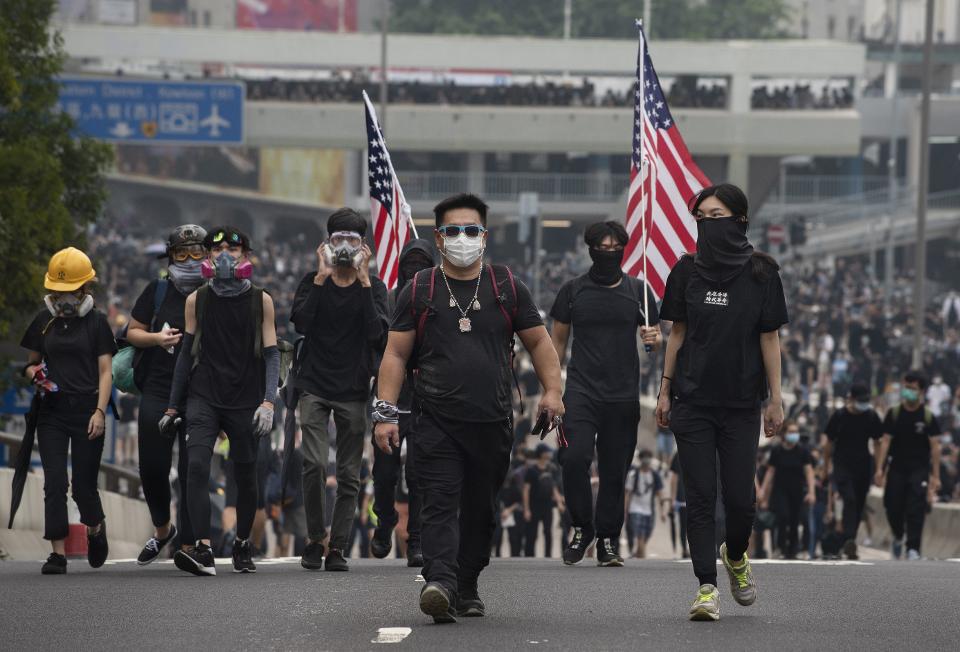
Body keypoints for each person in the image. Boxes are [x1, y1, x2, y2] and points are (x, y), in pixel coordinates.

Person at [373, 193, 564, 623]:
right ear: (439, 239)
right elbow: (396, 355)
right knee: (439, 500)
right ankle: (439, 581)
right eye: (454, 231)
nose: (464, 238)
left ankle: (467, 584)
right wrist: (385, 412)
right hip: (434, 419)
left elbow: (539, 342)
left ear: (484, 236)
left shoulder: (506, 286)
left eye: (472, 230)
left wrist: (553, 392)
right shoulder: (419, 289)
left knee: (480, 508)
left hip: (493, 421)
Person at [656, 183, 788, 621]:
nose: (708, 225)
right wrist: (664, 389)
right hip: (692, 401)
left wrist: (776, 399)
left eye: (717, 216)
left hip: (741, 404)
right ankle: (706, 587)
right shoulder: (685, 271)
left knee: (739, 500)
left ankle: (736, 556)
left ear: (740, 219)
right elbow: (677, 333)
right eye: (702, 218)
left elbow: (769, 338)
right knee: (699, 497)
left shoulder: (763, 273)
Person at [160, 225, 280, 576]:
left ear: (246, 256)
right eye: (217, 250)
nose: (225, 255)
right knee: (195, 467)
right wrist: (171, 406)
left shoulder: (262, 301)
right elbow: (185, 356)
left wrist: (268, 403)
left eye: (233, 249)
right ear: (208, 257)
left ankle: (242, 543)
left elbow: (272, 355)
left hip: (246, 400)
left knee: (246, 473)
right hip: (204, 396)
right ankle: (203, 548)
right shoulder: (197, 299)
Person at [549, 220, 660, 567]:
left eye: (616, 248)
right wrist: (552, 390)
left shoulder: (639, 292)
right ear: (591, 249)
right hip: (580, 390)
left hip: (623, 394)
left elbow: (656, 339)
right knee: (574, 458)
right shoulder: (572, 291)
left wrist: (654, 341)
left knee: (615, 471)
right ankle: (582, 528)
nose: (609, 253)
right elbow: (556, 344)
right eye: (603, 247)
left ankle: (609, 540)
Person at [290, 208, 388, 572]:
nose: (344, 247)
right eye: (338, 240)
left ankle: (339, 547)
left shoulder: (373, 288)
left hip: (353, 390)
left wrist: (362, 281)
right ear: (326, 244)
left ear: (364, 247)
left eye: (352, 240)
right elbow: (302, 322)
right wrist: (321, 276)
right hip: (314, 385)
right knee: (314, 463)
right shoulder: (311, 281)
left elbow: (378, 334)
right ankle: (316, 538)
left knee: (348, 473)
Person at [20, 247, 117, 574]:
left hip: (88, 410)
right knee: (54, 482)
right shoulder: (43, 321)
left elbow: (106, 371)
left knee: (83, 487)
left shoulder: (98, 323)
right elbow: (30, 364)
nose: (63, 300)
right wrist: (35, 375)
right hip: (52, 412)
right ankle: (57, 552)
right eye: (57, 292)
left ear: (84, 290)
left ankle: (95, 527)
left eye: (69, 292)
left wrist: (100, 412)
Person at [125, 224, 207, 566]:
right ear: (170, 257)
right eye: (181, 254)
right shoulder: (157, 290)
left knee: (193, 469)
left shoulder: (216, 291)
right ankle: (163, 529)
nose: (188, 260)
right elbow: (131, 332)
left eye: (195, 253)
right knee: (153, 466)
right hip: (158, 387)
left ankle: (189, 544)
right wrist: (157, 339)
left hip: (200, 391)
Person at [370, 239, 434, 566]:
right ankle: (384, 520)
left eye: (423, 264)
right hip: (391, 402)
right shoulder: (391, 301)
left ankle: (418, 540)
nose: (415, 271)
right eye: (410, 263)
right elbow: (377, 346)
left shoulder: (441, 302)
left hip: (427, 403)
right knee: (384, 473)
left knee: (419, 475)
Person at [874, 371, 942, 560]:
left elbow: (935, 447)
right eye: (906, 387)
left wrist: (935, 476)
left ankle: (913, 548)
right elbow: (885, 441)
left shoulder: (928, 417)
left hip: (919, 470)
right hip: (896, 468)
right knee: (892, 505)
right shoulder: (894, 414)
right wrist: (879, 469)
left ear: (921, 391)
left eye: (913, 389)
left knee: (916, 508)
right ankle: (898, 535)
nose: (908, 392)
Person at [820, 383, 882, 560]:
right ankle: (848, 537)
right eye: (860, 400)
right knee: (850, 499)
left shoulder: (871, 416)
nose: (864, 404)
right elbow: (828, 443)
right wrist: (825, 469)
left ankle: (850, 540)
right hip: (842, 465)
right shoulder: (839, 416)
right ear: (851, 399)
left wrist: (879, 469)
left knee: (859, 504)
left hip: (863, 466)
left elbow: (878, 442)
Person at [759, 422, 815, 559]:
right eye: (791, 431)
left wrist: (811, 492)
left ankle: (793, 549)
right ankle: (780, 547)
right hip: (780, 490)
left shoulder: (803, 451)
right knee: (783, 516)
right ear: (784, 434)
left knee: (795, 520)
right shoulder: (777, 450)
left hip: (797, 491)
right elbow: (770, 472)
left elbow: (809, 472)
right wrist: (763, 491)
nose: (794, 435)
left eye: (796, 431)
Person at [523, 444, 563, 558]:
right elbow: (526, 490)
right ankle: (529, 556)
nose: (549, 454)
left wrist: (559, 502)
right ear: (541, 454)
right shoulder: (531, 470)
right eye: (547, 452)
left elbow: (553, 486)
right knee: (532, 533)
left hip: (547, 505)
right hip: (534, 505)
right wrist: (526, 509)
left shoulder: (551, 468)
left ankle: (548, 556)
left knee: (547, 532)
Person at [624, 450, 665, 559]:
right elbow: (628, 493)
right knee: (640, 536)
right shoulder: (633, 474)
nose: (646, 460)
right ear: (640, 459)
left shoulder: (654, 475)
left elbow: (660, 494)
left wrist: (663, 512)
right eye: (644, 457)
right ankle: (642, 558)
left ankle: (638, 557)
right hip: (635, 509)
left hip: (649, 510)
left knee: (645, 536)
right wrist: (625, 510)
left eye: (648, 457)